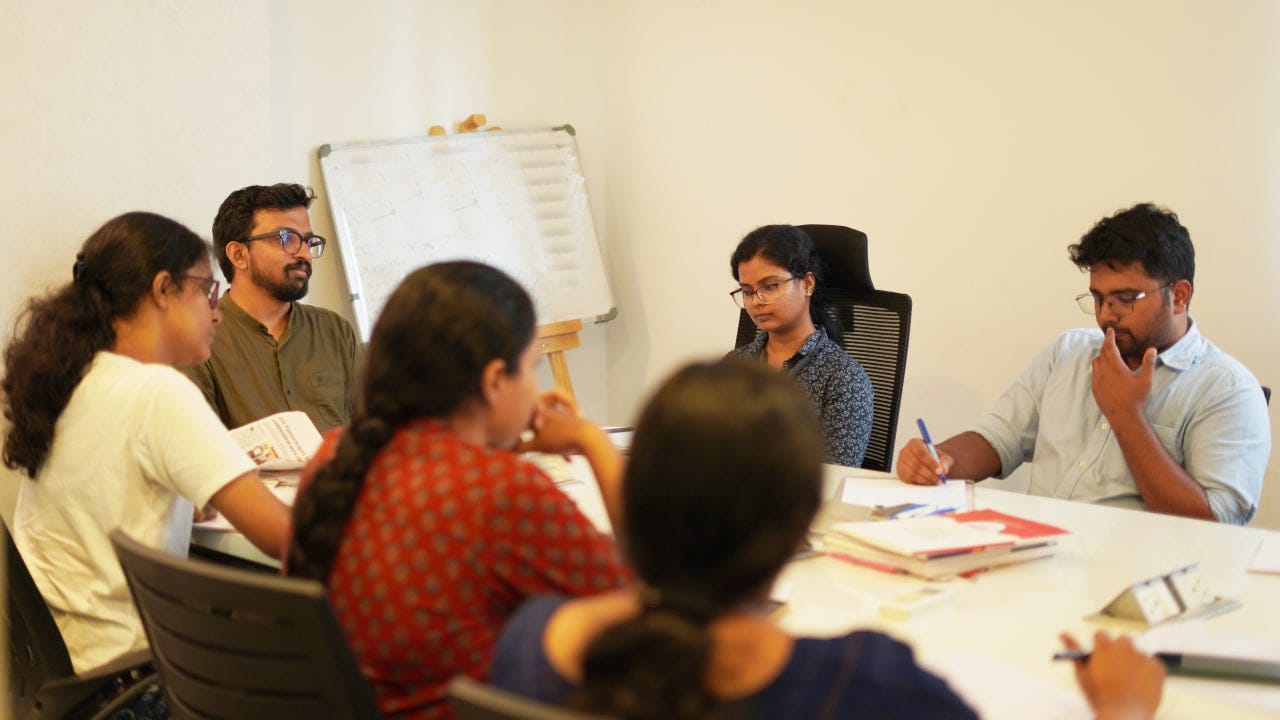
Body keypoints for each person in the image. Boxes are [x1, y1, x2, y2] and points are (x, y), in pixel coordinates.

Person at [489, 359, 1164, 720]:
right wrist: (1126, 713)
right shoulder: (867, 687)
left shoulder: (529, 646)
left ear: (636, 501)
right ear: (800, 521)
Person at [287, 261, 629, 719]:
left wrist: (499, 434)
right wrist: (592, 442)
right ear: (493, 382)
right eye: (530, 369)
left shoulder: (335, 454)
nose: (535, 388)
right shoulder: (501, 491)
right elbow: (646, 614)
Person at [1, 213, 291, 678]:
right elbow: (282, 536)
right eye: (207, 290)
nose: (217, 311)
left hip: (67, 673)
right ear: (163, 289)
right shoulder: (158, 392)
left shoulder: (72, 377)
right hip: (135, 675)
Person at [898, 203, 1269, 525]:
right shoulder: (1069, 351)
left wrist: (1126, 414)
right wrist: (940, 461)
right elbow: (998, 439)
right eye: (1098, 298)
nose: (1107, 314)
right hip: (1034, 556)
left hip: (1132, 581)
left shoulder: (1228, 390)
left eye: (1126, 298)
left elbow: (1213, 526)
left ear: (1179, 297)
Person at [183, 183, 362, 434]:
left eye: (309, 241)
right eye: (286, 239)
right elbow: (200, 451)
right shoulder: (199, 339)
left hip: (337, 473)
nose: (305, 254)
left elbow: (368, 430)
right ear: (238, 255)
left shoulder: (335, 330)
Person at [726, 224, 874, 467]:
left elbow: (833, 477)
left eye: (770, 286)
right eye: (747, 291)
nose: (756, 302)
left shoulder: (844, 378)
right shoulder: (734, 364)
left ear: (807, 284)